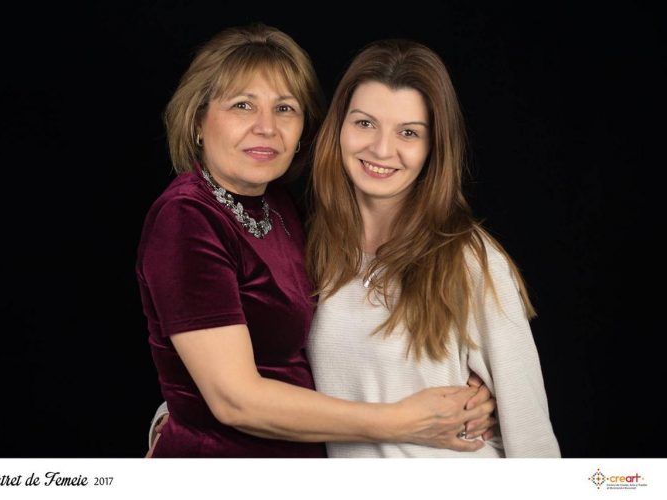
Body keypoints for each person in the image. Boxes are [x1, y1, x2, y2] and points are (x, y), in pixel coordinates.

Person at [137, 24, 497, 457]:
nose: (266, 128)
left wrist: (472, 387)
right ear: (198, 120)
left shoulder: (281, 207)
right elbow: (234, 401)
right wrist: (406, 421)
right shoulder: (186, 217)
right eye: (242, 105)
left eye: (284, 109)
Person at [305, 39, 561, 457]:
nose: (381, 149)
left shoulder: (468, 259)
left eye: (408, 132)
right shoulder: (309, 246)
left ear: (433, 147)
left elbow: (530, 433)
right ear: (338, 127)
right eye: (365, 123)